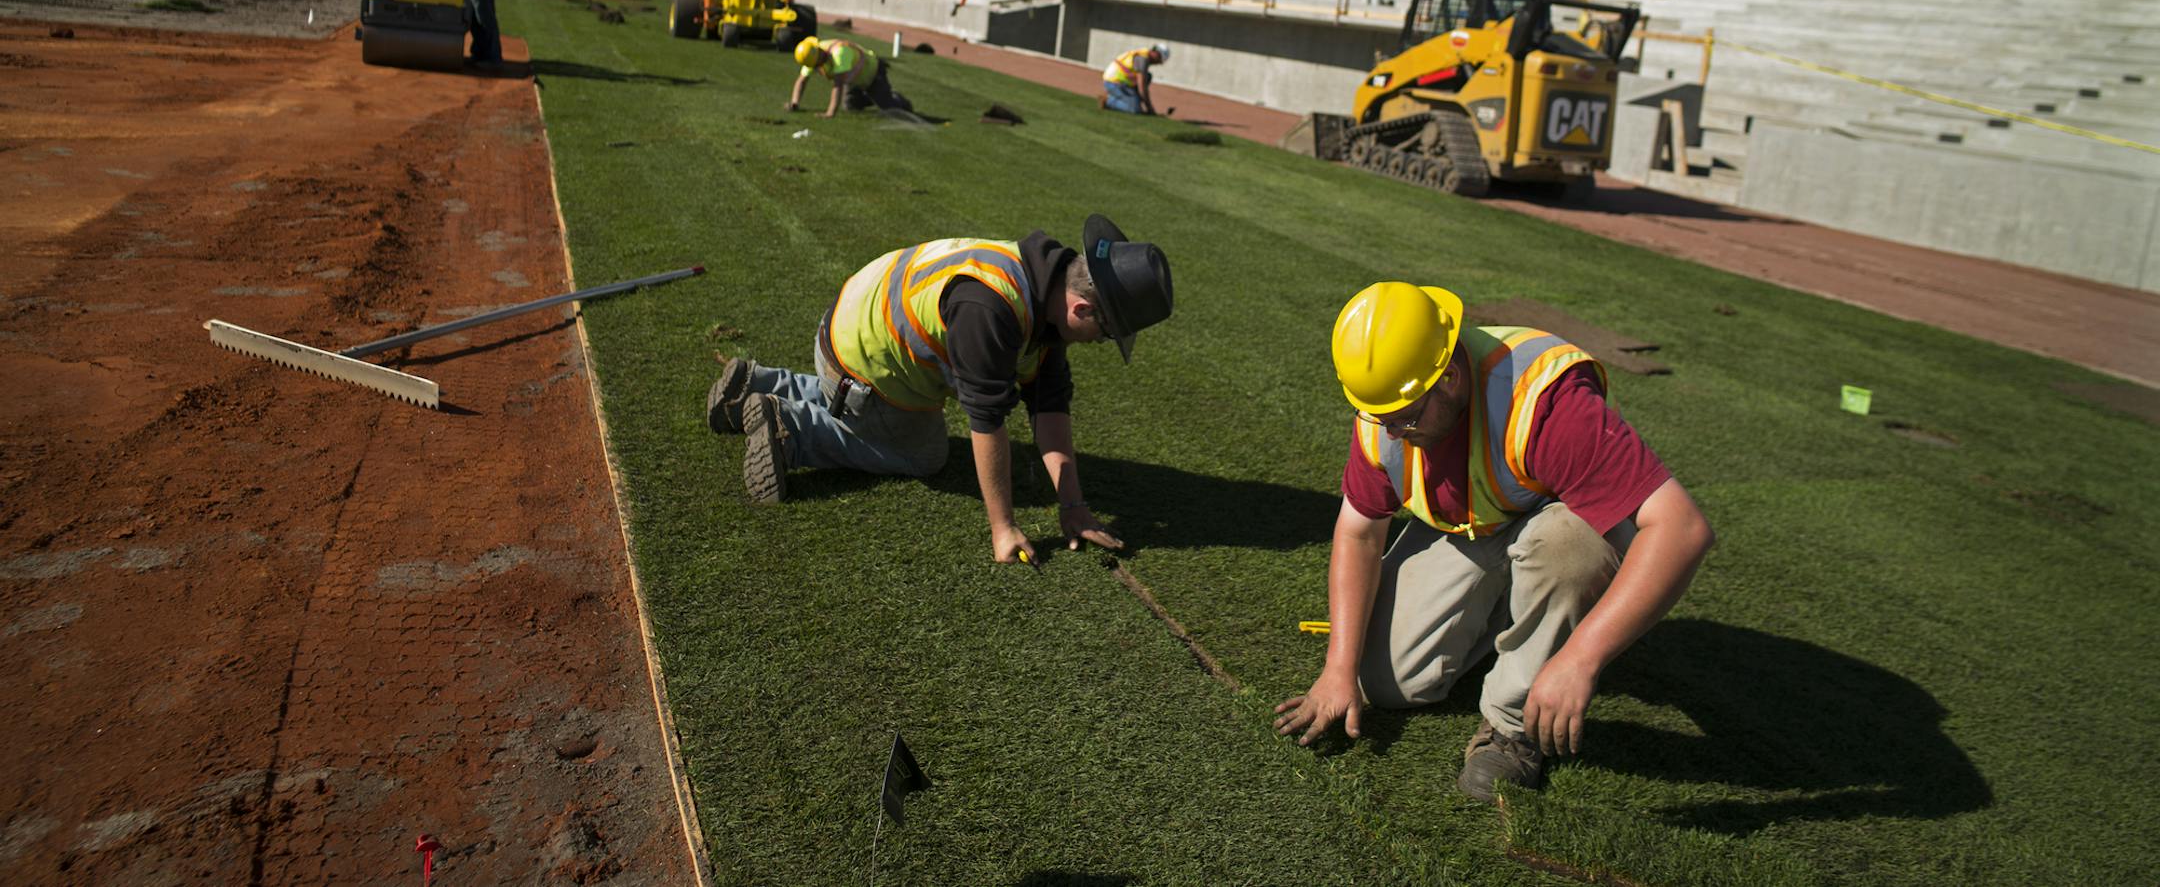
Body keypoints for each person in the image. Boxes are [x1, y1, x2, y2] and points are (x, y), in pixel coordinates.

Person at [1274, 284, 1715, 803]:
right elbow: (1358, 532)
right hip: (1471, 521)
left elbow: (1682, 530)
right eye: (1380, 417)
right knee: (1389, 684)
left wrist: (1581, 659)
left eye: (1405, 418)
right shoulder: (1389, 402)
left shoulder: (1549, 407)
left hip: (1559, 520)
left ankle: (1511, 728)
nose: (1391, 433)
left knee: (1568, 548)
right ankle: (1512, 611)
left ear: (1451, 379)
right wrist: (1337, 670)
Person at [704, 216, 1174, 566]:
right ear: (1082, 309)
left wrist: (1073, 505)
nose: (1102, 344)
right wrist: (1004, 527)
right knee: (926, 454)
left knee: (917, 417)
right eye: (1108, 334)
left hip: (854, 331)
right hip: (858, 360)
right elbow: (987, 420)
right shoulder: (992, 308)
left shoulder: (1043, 282)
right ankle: (792, 427)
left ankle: (758, 382)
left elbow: (1049, 406)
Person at [787, 35, 911, 118]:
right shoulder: (812, 56)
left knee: (889, 109)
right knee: (851, 106)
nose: (814, 69)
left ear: (819, 55)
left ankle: (898, 99)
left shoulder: (839, 53)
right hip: (856, 81)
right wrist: (794, 103)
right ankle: (874, 96)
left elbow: (838, 84)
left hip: (873, 74)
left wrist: (830, 113)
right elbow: (802, 80)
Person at [1100, 44, 1169, 116]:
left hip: (1123, 82)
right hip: (1113, 82)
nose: (1158, 63)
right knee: (1134, 109)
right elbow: (1141, 87)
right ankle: (1109, 101)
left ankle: (1133, 102)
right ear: (1156, 54)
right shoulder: (1142, 59)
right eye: (1160, 60)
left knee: (1148, 76)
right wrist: (1150, 109)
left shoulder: (1143, 55)